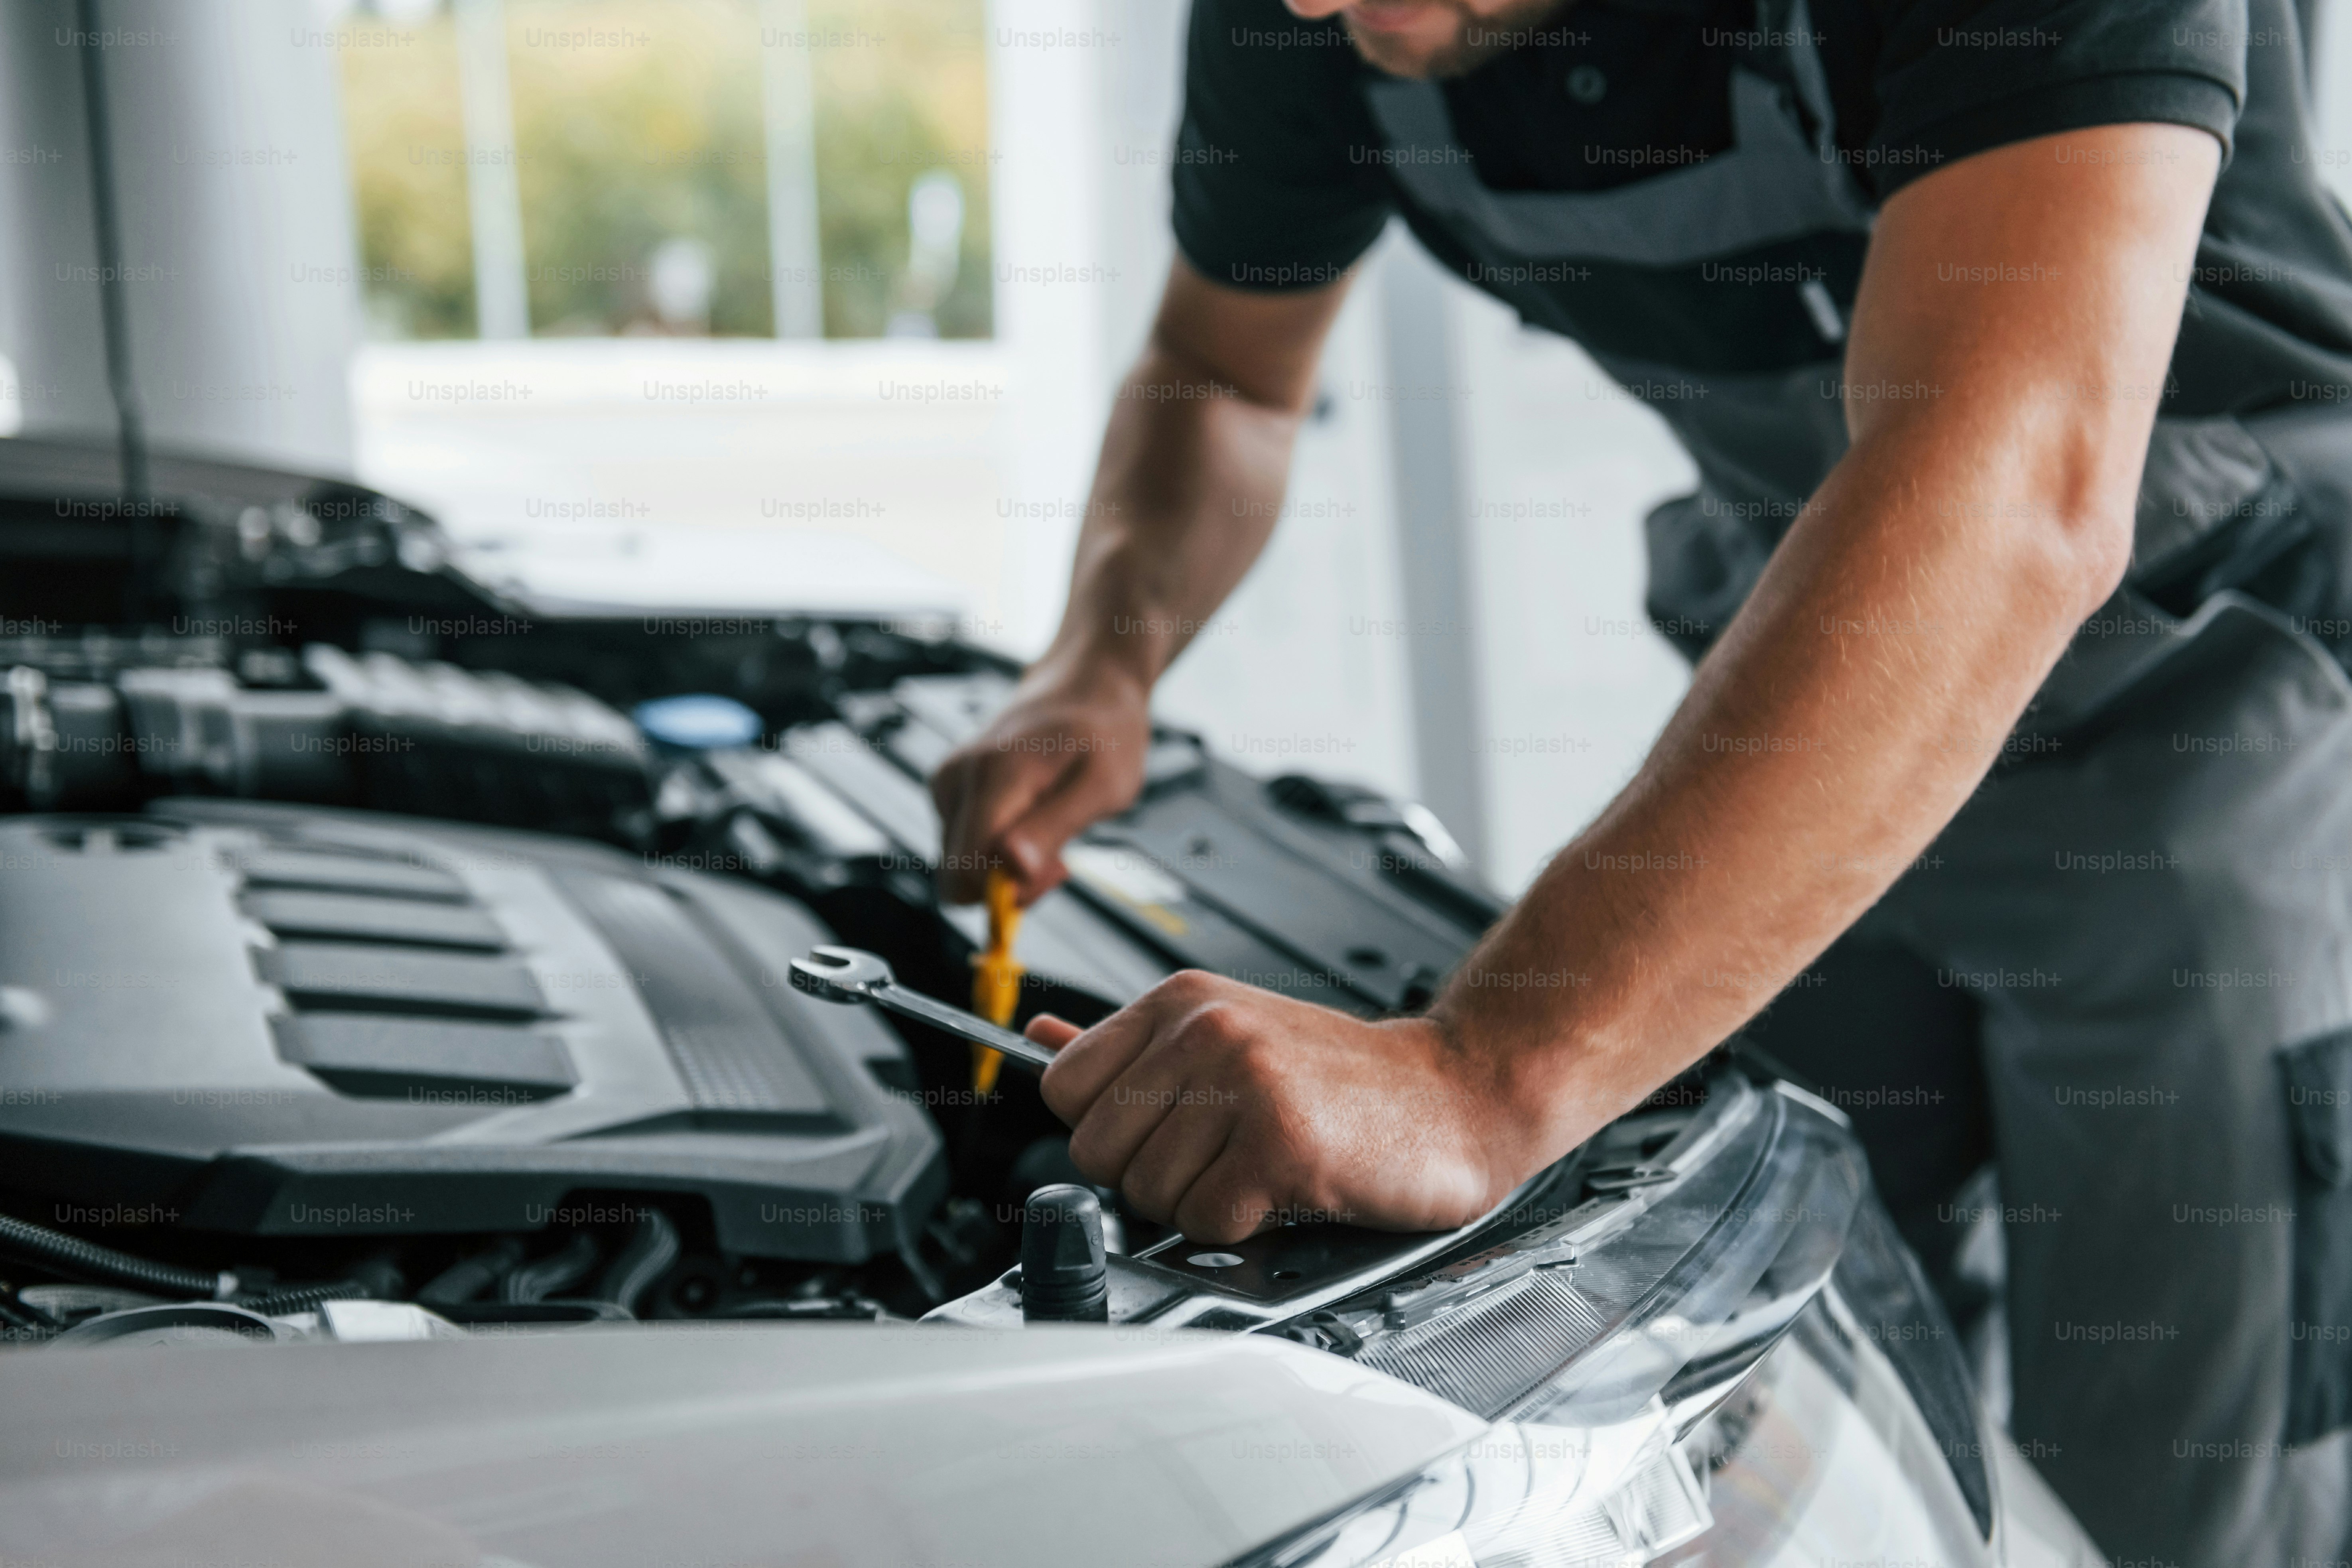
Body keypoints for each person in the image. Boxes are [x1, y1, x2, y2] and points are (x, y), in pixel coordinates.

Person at [927, 0, 2352, 1558]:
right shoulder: (1306, 15)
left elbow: (2013, 479)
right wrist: (1100, 660)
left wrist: (1484, 1068)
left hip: (2224, 748)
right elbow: (1223, 371)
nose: (1314, 8)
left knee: (2172, 1499)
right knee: (1804, 1424)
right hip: (1815, 768)